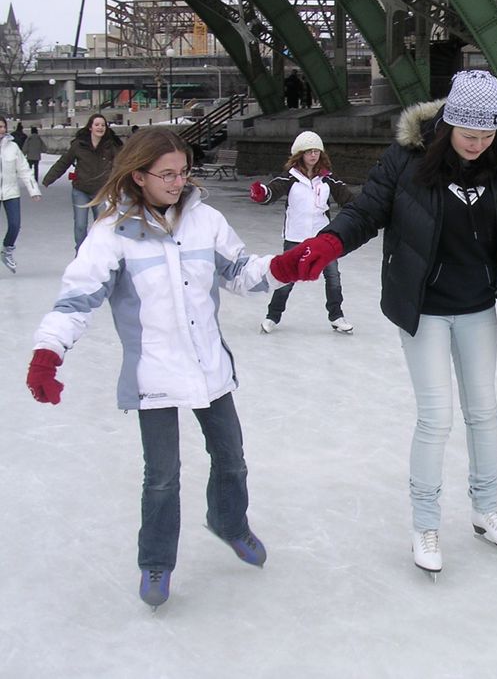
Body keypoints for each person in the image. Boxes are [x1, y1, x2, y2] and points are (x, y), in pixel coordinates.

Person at [272, 70, 497, 578]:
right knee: (436, 417)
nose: (479, 146)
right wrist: (325, 244)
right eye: (469, 136)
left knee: (484, 412)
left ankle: (485, 510)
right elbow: (365, 213)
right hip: (424, 309)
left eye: (488, 136)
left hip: (478, 304)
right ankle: (426, 523)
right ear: (446, 126)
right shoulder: (406, 162)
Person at [26, 127, 298, 609]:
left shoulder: (205, 220)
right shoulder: (112, 232)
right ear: (139, 175)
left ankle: (229, 523)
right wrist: (49, 352)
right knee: (162, 477)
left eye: (184, 172)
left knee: (232, 458)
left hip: (210, 368)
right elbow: (77, 299)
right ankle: (156, 561)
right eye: (167, 174)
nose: (178, 182)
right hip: (153, 376)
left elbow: (239, 274)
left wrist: (286, 266)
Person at [249, 130, 356, 334]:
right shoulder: (290, 177)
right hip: (295, 237)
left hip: (323, 236)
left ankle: (337, 316)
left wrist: (365, 208)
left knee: (333, 276)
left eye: (316, 151)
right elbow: (272, 191)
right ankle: (272, 316)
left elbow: (347, 198)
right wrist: (262, 193)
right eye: (309, 152)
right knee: (286, 278)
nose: (313, 155)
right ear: (300, 154)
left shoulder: (327, 178)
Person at [43, 113, 123, 253]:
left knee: (102, 226)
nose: (100, 127)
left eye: (103, 125)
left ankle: (100, 256)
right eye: (97, 125)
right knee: (80, 225)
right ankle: (81, 255)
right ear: (90, 127)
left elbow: (123, 164)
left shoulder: (111, 146)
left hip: (102, 192)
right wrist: (48, 179)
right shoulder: (79, 145)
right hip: (81, 191)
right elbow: (64, 162)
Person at [0, 117, 42, 273]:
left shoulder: (13, 148)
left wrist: (34, 190)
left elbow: (24, 170)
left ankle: (7, 251)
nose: (2, 130)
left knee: (15, 224)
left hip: (11, 192)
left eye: (3, 127)